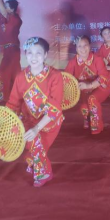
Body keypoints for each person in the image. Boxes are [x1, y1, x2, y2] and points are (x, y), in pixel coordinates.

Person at [5, 37, 65, 187]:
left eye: (38, 53)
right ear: (25, 54)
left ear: (45, 55)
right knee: (31, 146)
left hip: (49, 122)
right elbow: (12, 104)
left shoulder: (55, 76)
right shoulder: (20, 77)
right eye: (30, 53)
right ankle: (32, 157)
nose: (34, 57)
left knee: (34, 143)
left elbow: (54, 108)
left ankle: (44, 173)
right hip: (28, 120)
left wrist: (37, 128)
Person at [65, 35, 110, 135]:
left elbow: (103, 77)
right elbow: (66, 79)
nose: (83, 49)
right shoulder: (72, 62)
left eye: (85, 45)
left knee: (92, 99)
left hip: (100, 87)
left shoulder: (97, 59)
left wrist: (89, 85)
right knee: (84, 108)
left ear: (90, 46)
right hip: (84, 90)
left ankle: (96, 127)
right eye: (79, 46)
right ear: (76, 48)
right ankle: (88, 119)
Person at [0, 0, 22, 104]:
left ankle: (14, 97)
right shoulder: (9, 17)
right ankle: (9, 97)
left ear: (11, 9)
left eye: (6, 6)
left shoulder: (14, 18)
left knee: (6, 72)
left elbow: (2, 9)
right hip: (9, 50)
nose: (4, 8)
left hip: (12, 50)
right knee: (11, 74)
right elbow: (2, 7)